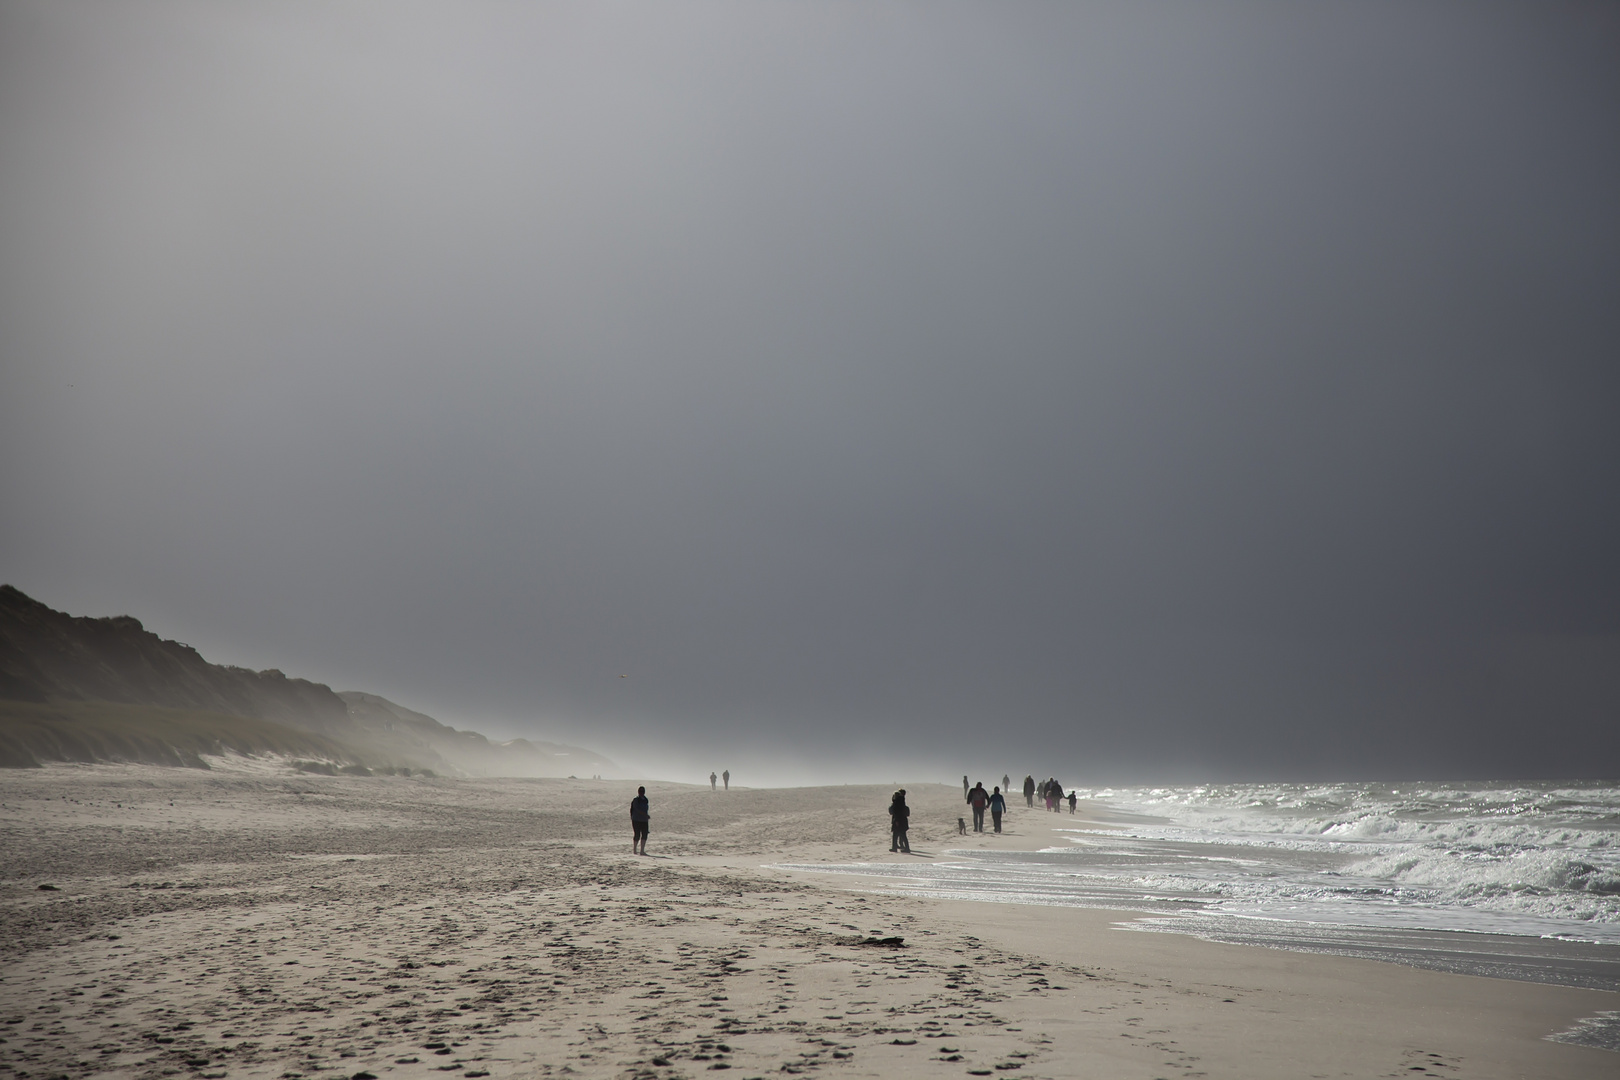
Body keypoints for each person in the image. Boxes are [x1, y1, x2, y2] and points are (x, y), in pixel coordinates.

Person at [889, 789, 911, 854]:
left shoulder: (897, 803)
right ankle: (903, 848)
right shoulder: (901, 801)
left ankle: (895, 848)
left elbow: (897, 812)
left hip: (898, 820)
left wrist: (897, 820)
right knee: (902, 835)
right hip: (902, 820)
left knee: (897, 835)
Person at [630, 786, 650, 855]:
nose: (642, 793)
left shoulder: (645, 799)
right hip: (636, 819)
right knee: (637, 834)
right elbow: (637, 809)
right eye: (640, 791)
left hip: (644, 820)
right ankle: (635, 850)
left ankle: (642, 850)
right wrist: (645, 815)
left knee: (644, 834)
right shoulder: (636, 800)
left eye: (643, 791)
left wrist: (645, 816)